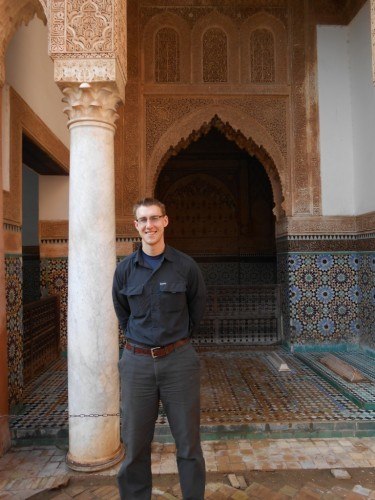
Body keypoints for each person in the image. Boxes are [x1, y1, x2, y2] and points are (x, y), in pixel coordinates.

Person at [112, 197, 206, 499]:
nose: (149, 225)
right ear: (136, 226)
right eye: (143, 220)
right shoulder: (125, 270)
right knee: (135, 443)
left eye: (155, 218)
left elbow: (197, 310)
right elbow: (122, 312)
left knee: (188, 444)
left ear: (165, 221)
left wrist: (174, 342)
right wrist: (140, 342)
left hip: (179, 362)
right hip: (137, 363)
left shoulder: (185, 267)